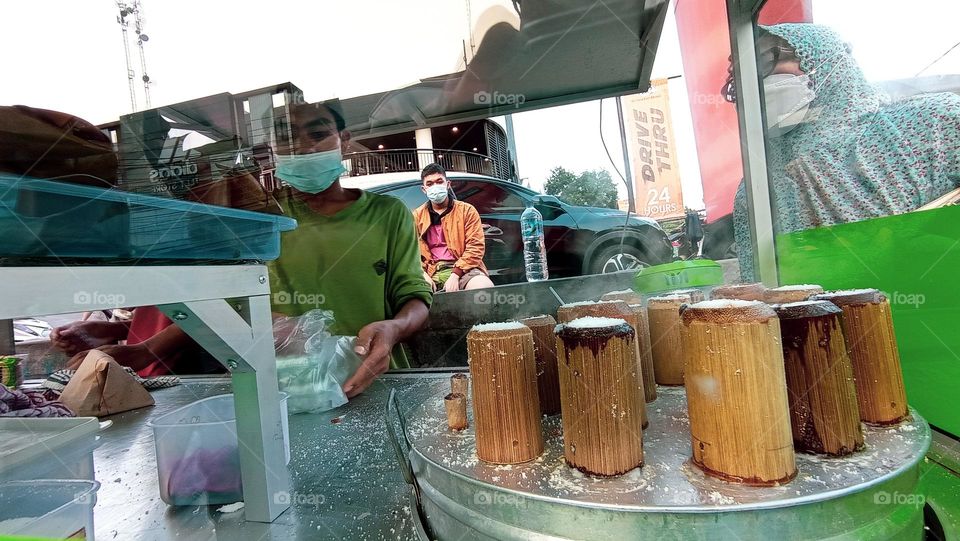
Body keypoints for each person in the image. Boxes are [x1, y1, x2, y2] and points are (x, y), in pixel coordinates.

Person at [725, 23, 960, 281]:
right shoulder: (756, 190)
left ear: (825, 58)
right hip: (825, 321)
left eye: (764, 61)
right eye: (739, 77)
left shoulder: (932, 123)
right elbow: (761, 290)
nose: (756, 81)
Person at [268, 100, 432, 398]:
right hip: (292, 392)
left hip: (378, 383)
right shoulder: (263, 221)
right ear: (271, 149)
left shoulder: (388, 214)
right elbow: (232, 307)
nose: (304, 148)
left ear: (344, 142)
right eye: (287, 139)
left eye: (317, 135)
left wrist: (394, 327)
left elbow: (415, 298)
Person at [51, 306, 223, 377]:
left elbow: (216, 313)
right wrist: (109, 331)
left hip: (200, 373)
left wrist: (145, 350)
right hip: (152, 375)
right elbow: (164, 312)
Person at [413, 163, 495, 293]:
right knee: (411, 295)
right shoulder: (416, 216)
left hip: (465, 269)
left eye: (439, 181)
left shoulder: (466, 211)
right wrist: (422, 275)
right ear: (424, 189)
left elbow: (476, 247)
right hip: (430, 271)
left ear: (448, 184)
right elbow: (411, 254)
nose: (435, 186)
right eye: (429, 184)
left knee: (484, 289)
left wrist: (455, 274)